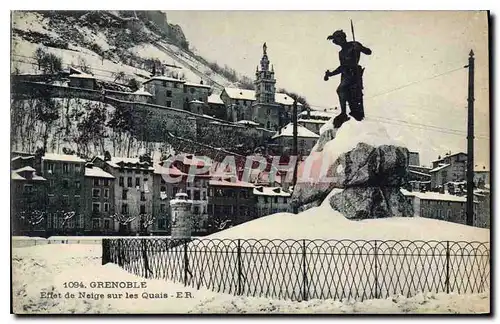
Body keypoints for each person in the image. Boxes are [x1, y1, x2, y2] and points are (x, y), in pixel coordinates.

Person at [324, 30, 371, 126]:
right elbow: (342, 67)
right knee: (345, 93)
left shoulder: (354, 44)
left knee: (342, 90)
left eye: (337, 39)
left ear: (342, 38)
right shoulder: (341, 53)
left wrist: (360, 48)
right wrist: (331, 74)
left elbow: (368, 52)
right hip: (345, 75)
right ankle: (345, 112)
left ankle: (346, 112)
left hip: (354, 73)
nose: (337, 42)